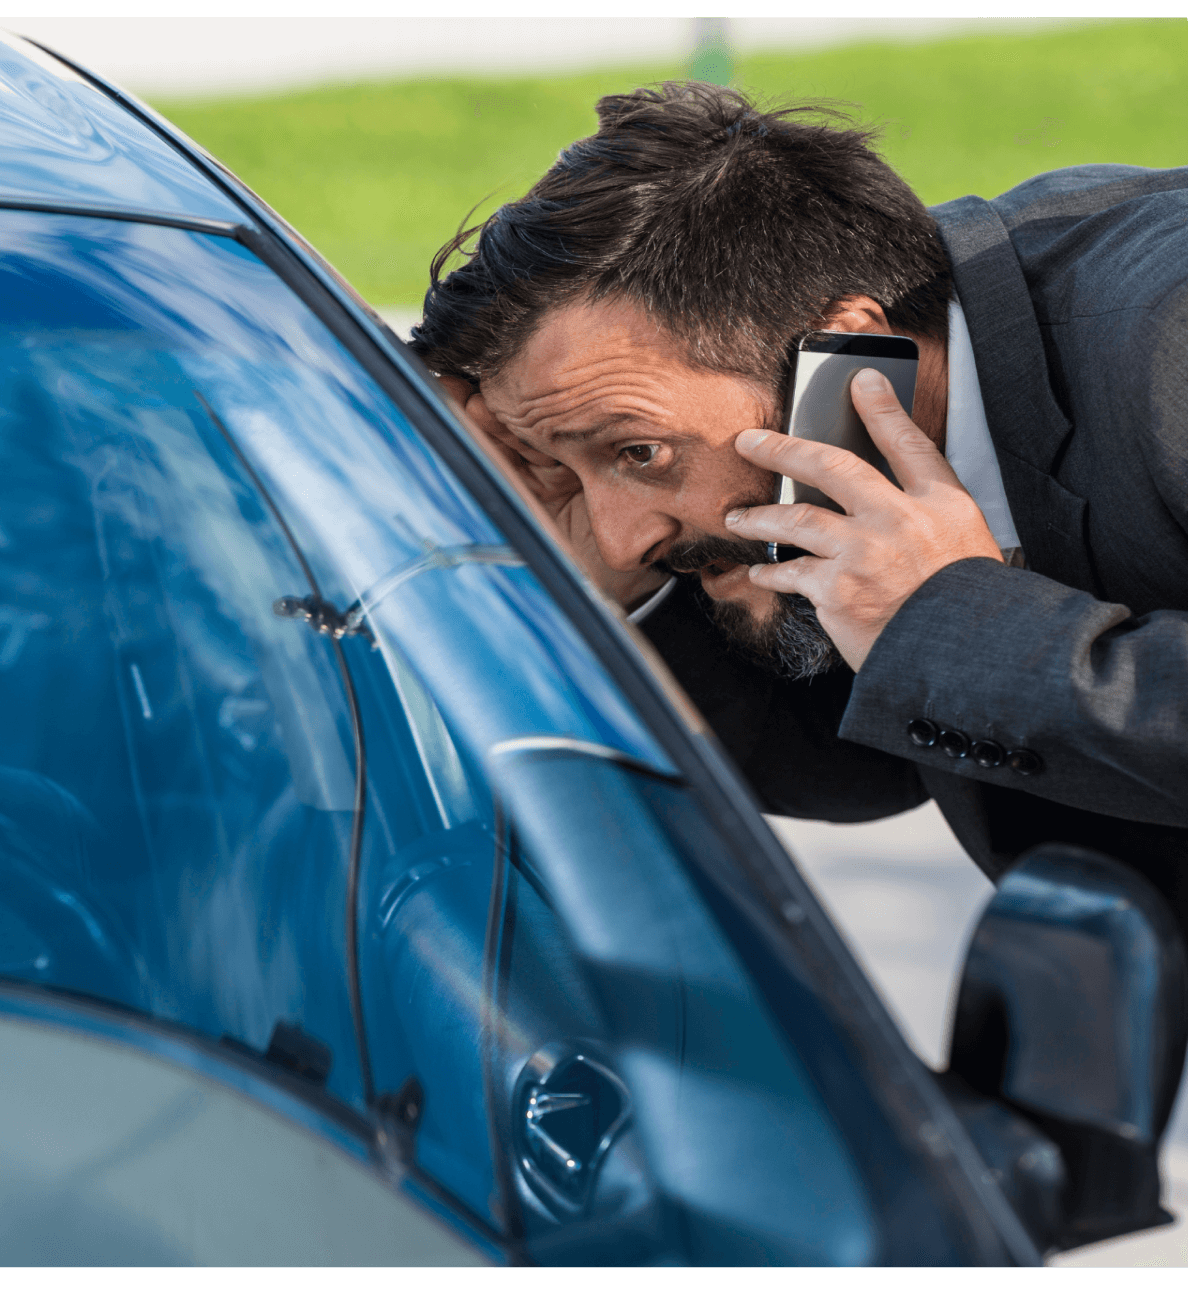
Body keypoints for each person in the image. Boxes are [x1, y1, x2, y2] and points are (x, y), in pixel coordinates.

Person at [410, 82, 1188, 939]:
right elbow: (863, 769)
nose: (624, 536)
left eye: (637, 452)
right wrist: (624, 597)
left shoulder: (1170, 343)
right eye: (566, 465)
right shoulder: (863, 456)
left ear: (849, 354)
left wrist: (953, 622)